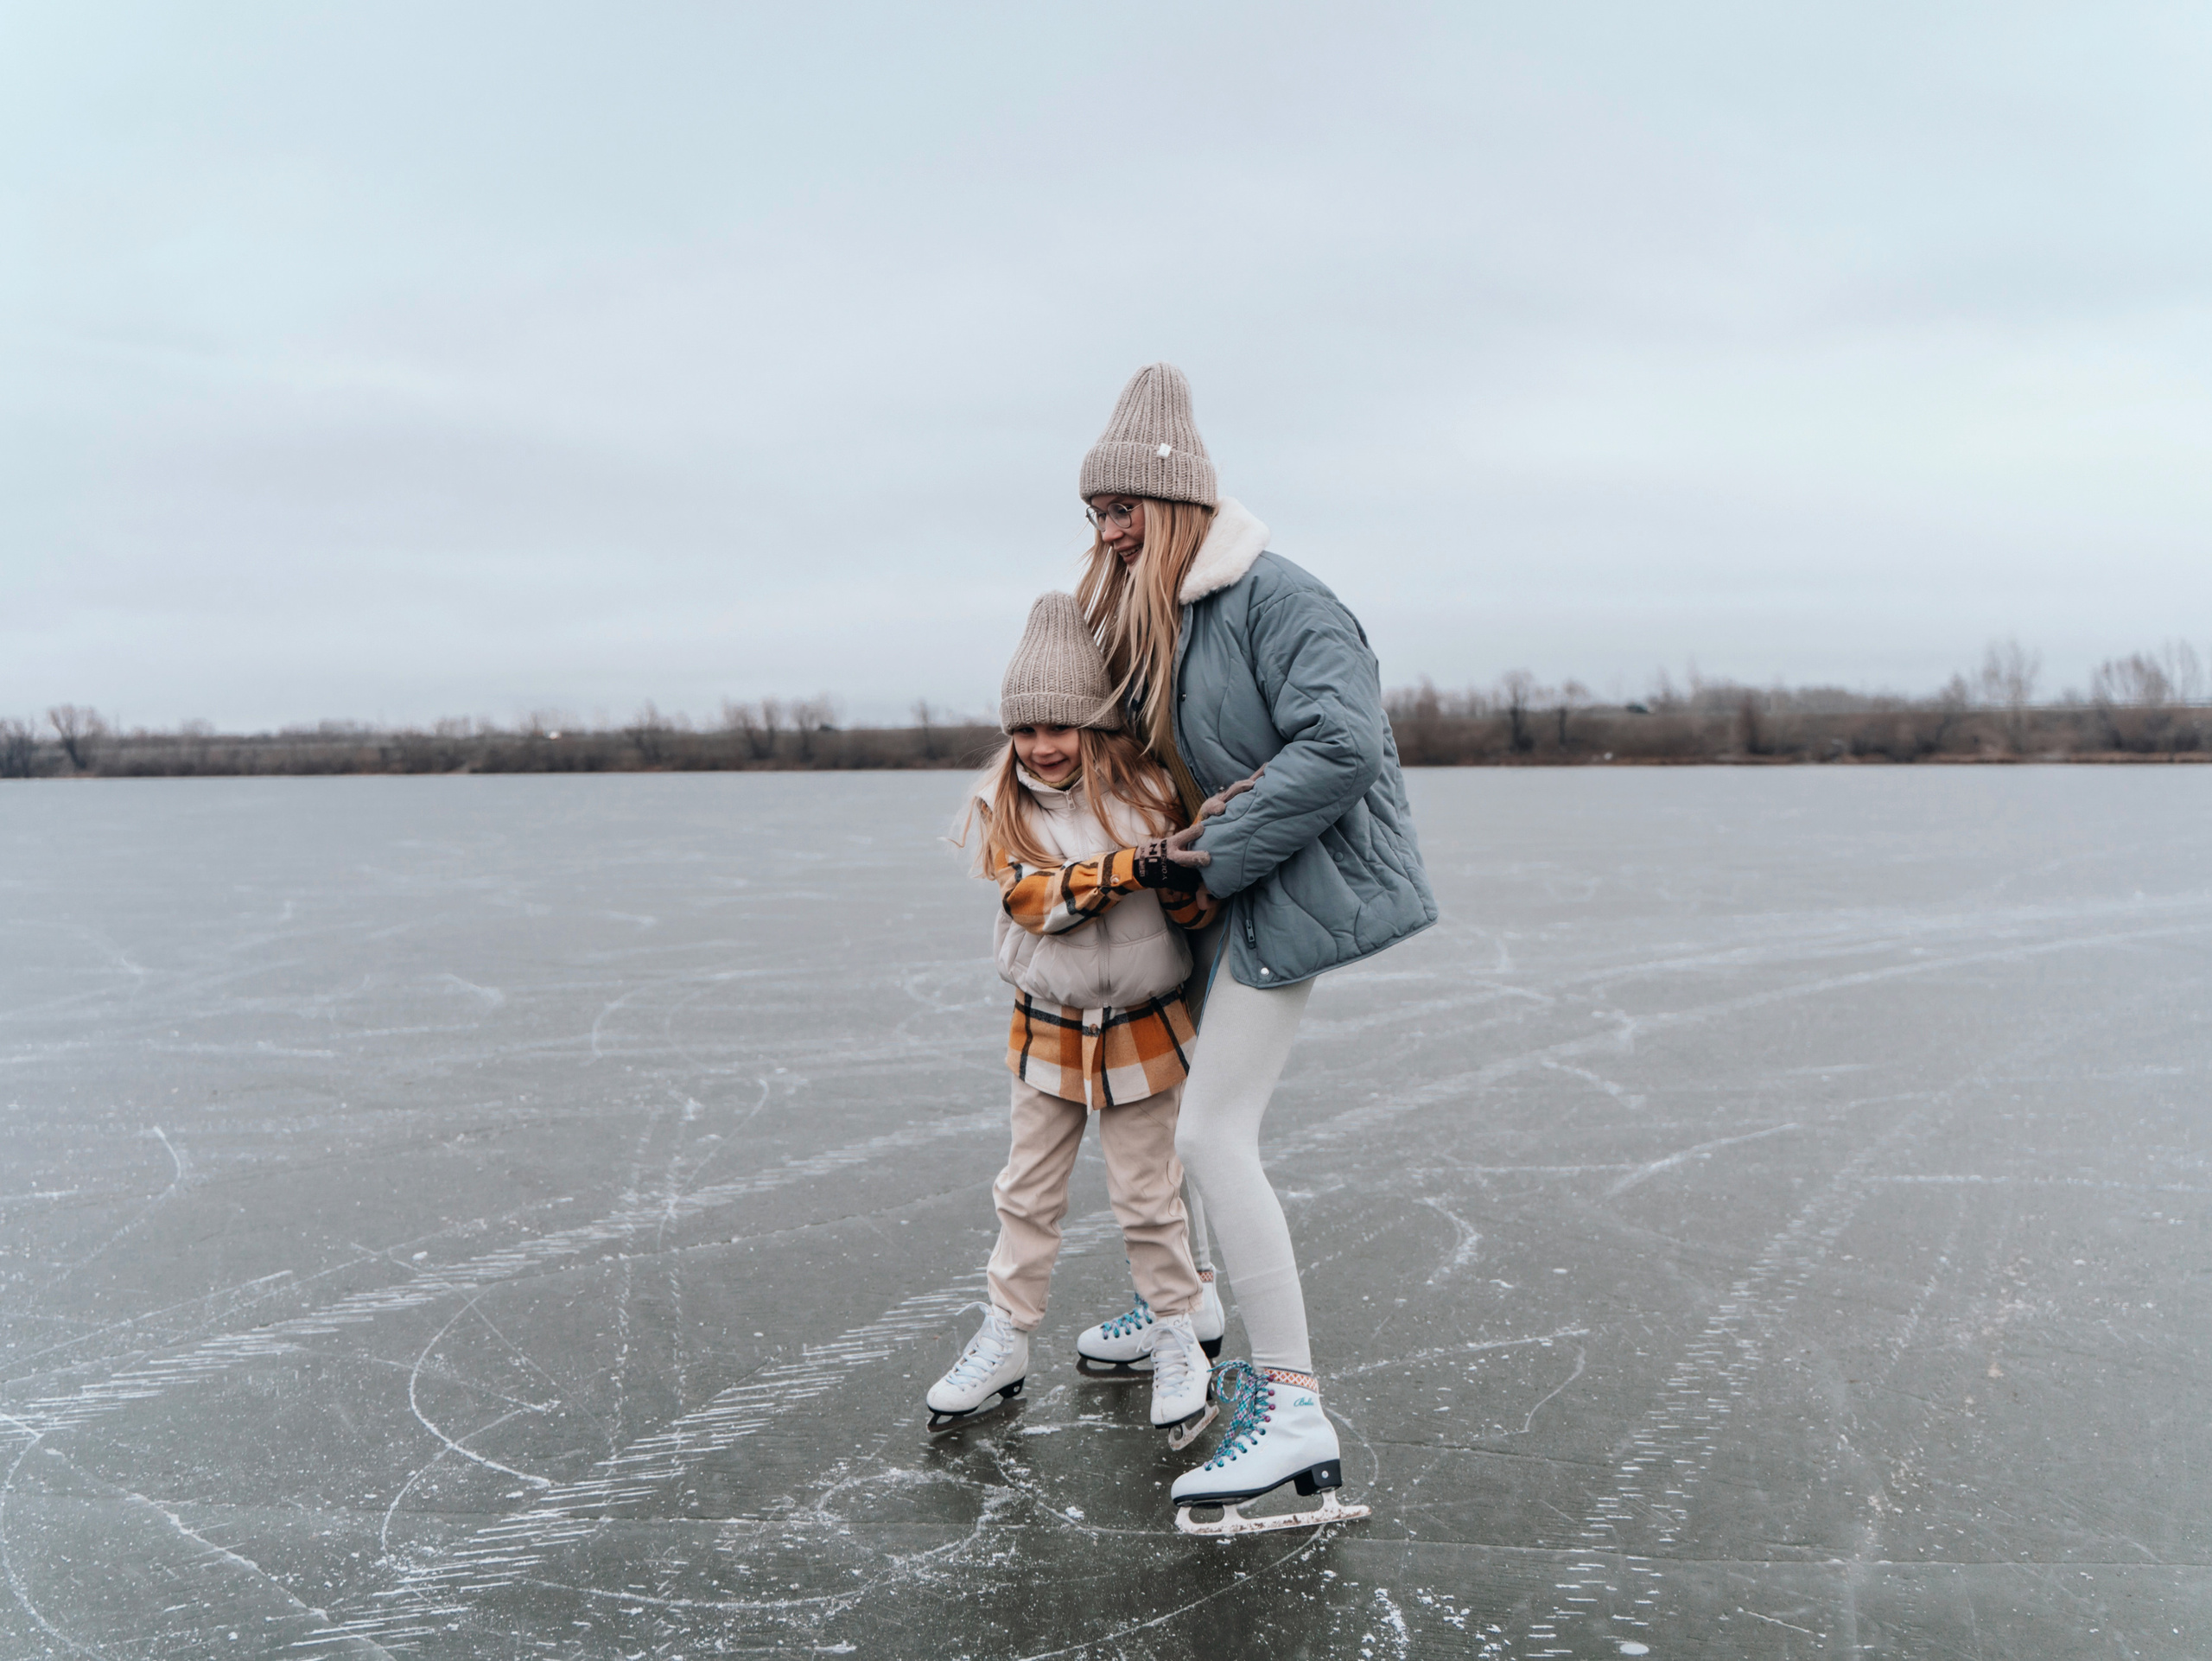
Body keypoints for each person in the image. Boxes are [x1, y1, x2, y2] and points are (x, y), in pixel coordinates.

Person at [1072, 363, 1439, 1536]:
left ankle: (1292, 1404)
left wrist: (1212, 852)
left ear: (1176, 498)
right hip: (1215, 896)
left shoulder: (1281, 597)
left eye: (1123, 506)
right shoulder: (1165, 616)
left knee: (1212, 1130)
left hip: (1287, 887)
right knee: (1167, 1102)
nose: (1108, 530)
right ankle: (1182, 1302)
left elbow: (1341, 746)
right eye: (1095, 511)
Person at [924, 592, 1253, 1446]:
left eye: (1061, 726)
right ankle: (1005, 1336)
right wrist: (1137, 866)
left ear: (1097, 726)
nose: (1043, 745)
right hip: (1049, 1026)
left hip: (1145, 1024)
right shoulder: (1005, 805)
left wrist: (1184, 880)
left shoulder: (1150, 796)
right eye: (1026, 728)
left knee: (1149, 1195)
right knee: (1027, 1193)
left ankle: (1176, 1333)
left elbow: (1189, 913)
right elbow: (1036, 903)